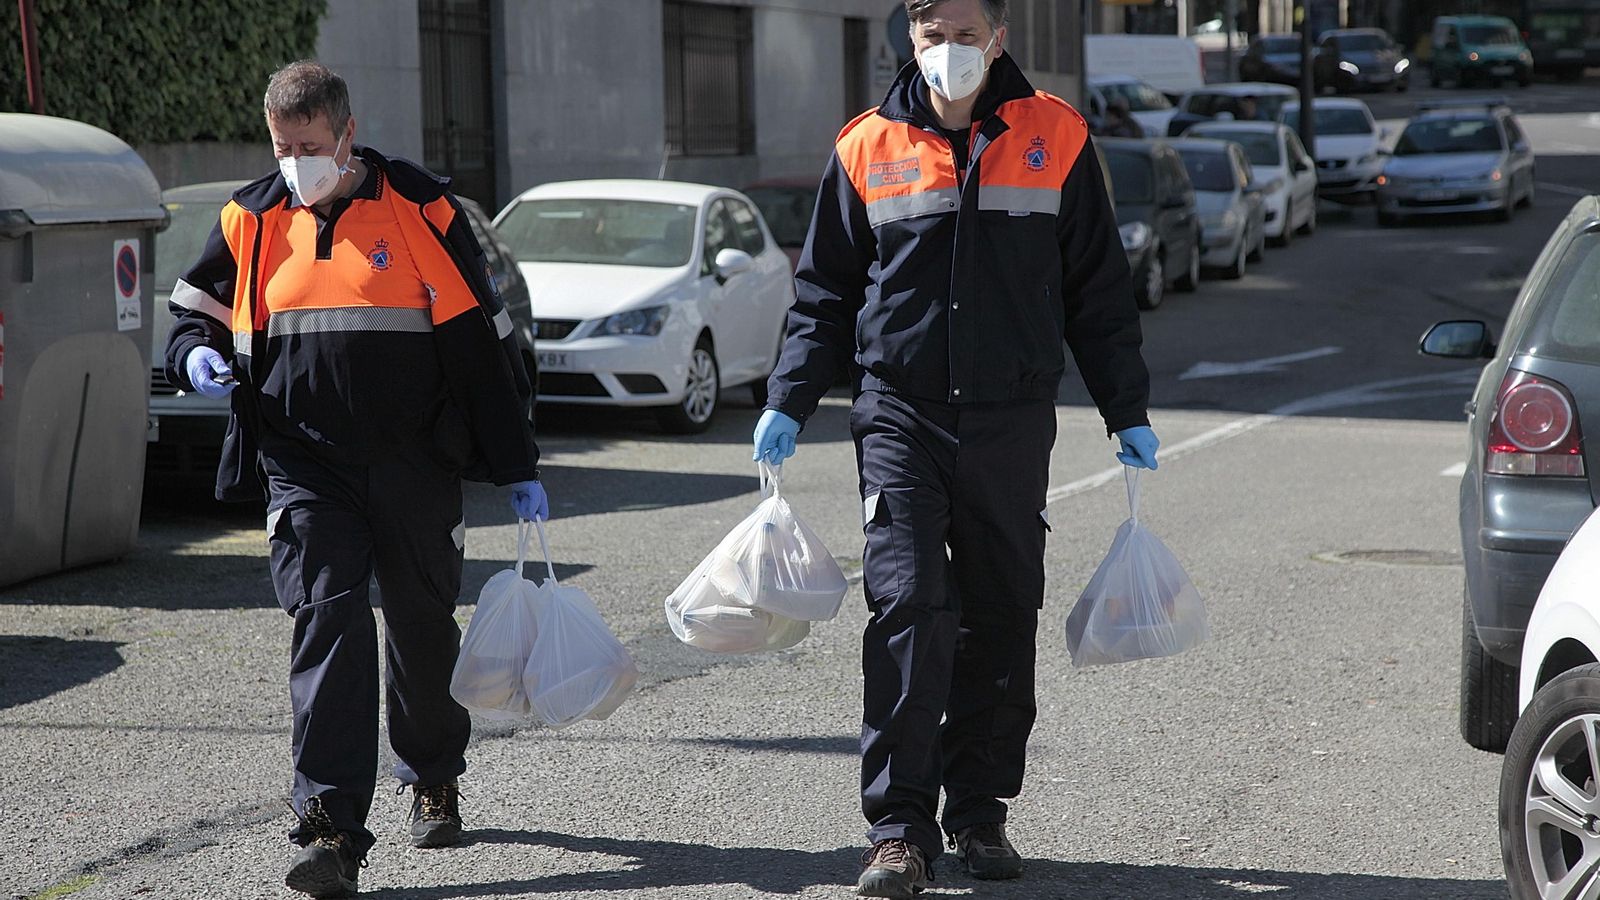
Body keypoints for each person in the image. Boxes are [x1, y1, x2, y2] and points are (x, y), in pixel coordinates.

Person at [750, 0, 1159, 896]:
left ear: (999, 39)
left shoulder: (1057, 134)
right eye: (933, 36)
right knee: (908, 604)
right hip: (900, 411)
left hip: (1011, 415)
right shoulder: (866, 145)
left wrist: (1124, 408)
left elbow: (1098, 288)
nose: (949, 52)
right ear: (911, 38)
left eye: (967, 35)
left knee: (1001, 609)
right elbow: (824, 293)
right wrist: (788, 398)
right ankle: (899, 830)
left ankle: (978, 813)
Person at [163, 60, 548, 899]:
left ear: (347, 134)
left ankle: (433, 774)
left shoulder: (419, 207)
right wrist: (192, 355)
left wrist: (516, 464)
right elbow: (194, 310)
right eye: (281, 147)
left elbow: (481, 345)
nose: (295, 162)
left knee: (420, 624)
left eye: (309, 146)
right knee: (327, 625)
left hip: (415, 461)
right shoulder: (252, 217)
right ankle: (330, 831)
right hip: (306, 466)